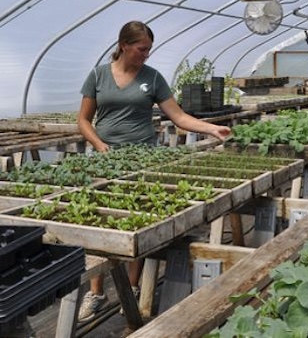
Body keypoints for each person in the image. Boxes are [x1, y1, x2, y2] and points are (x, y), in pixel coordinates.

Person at [76, 20, 231, 321]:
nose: (146, 55)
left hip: (144, 159)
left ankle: (131, 288)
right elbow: (82, 120)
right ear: (123, 45)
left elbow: (179, 117)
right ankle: (96, 292)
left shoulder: (153, 78)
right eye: (141, 49)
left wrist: (213, 129)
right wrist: (99, 145)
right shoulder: (97, 76)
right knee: (97, 221)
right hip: (105, 161)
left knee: (138, 220)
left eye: (148, 49)